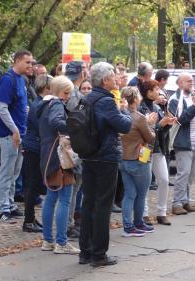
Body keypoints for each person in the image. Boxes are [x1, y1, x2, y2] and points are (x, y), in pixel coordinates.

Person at [79, 62, 132, 267]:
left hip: (89, 154)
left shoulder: (87, 98)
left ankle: (85, 251)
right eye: (113, 76)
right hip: (105, 156)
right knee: (103, 206)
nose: (116, 79)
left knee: (88, 203)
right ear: (105, 80)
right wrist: (124, 111)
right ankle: (99, 254)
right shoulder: (106, 101)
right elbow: (125, 125)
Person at [39, 75, 79, 255]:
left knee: (51, 199)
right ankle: (61, 242)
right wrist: (74, 127)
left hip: (47, 156)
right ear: (58, 91)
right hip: (60, 157)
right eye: (66, 92)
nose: (68, 96)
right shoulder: (56, 104)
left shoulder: (41, 104)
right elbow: (56, 123)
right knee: (64, 199)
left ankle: (48, 240)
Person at [0, 49, 33, 222]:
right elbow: (1, 108)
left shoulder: (21, 80)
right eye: (27, 62)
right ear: (17, 61)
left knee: (15, 171)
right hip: (10, 135)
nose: (30, 65)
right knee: (7, 171)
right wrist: (14, 130)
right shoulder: (8, 80)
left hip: (19, 133)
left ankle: (10, 204)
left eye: (31, 62)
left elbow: (17, 105)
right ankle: (3, 208)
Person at [169, 72, 195, 215]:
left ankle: (185, 201)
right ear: (179, 84)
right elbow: (180, 120)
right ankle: (177, 203)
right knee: (183, 173)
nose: (191, 83)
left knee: (191, 174)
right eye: (187, 81)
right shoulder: (175, 100)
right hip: (184, 142)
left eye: (192, 81)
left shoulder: (194, 97)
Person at [119, 87, 156, 236]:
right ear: (135, 99)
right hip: (139, 158)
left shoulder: (120, 114)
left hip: (123, 159)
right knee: (141, 194)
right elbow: (150, 137)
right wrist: (151, 125)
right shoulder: (139, 117)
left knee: (129, 193)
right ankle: (138, 222)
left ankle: (128, 226)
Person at [139, 80, 175, 226]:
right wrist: (161, 125)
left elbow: (160, 130)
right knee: (144, 182)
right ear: (148, 92)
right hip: (145, 149)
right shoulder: (141, 108)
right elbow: (145, 130)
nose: (159, 92)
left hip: (158, 148)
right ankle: (144, 213)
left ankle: (161, 212)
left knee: (164, 180)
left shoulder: (156, 107)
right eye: (156, 89)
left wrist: (168, 124)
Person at [21, 74, 52, 233]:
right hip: (34, 148)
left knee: (32, 184)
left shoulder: (38, 103)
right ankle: (28, 221)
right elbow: (43, 127)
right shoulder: (40, 105)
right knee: (32, 185)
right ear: (46, 88)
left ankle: (31, 218)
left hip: (33, 146)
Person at [65, 61, 85, 239]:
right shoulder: (74, 94)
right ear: (81, 74)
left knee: (73, 189)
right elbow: (76, 119)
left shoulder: (65, 90)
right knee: (72, 189)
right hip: (73, 146)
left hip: (70, 143)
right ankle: (68, 225)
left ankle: (69, 223)